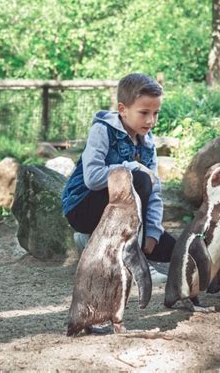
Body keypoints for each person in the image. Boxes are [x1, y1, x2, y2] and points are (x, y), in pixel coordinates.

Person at [61, 73, 175, 284]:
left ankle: (96, 244)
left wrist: (152, 231)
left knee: (173, 250)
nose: (151, 120)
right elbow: (93, 178)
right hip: (83, 207)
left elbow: (155, 191)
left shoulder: (147, 142)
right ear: (122, 109)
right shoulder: (102, 130)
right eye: (144, 113)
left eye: (156, 113)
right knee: (139, 179)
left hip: (119, 212)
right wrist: (131, 167)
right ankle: (133, 261)